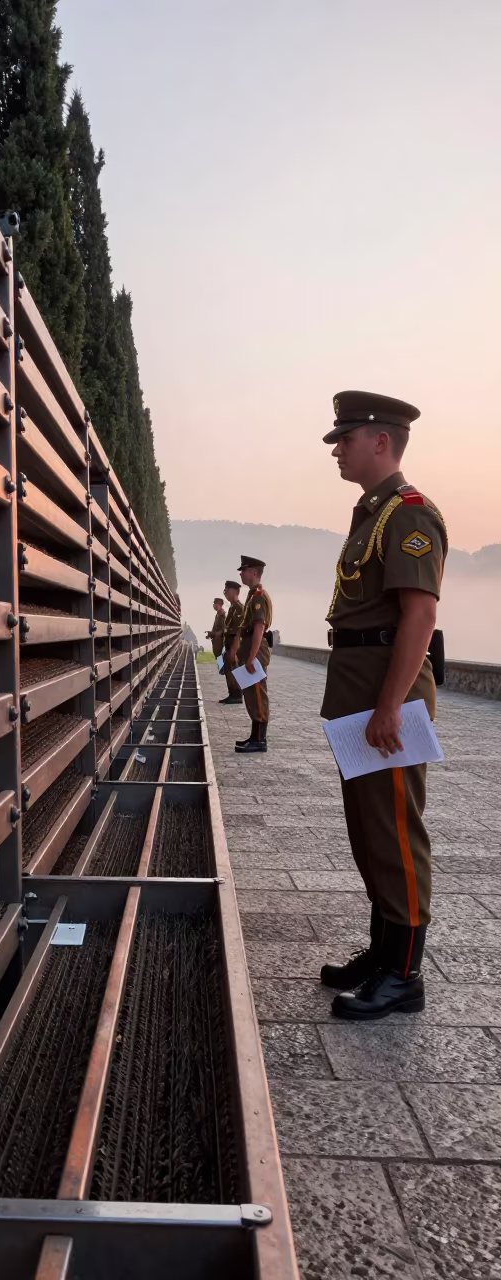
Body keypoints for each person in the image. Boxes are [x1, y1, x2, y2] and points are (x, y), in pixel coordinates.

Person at [320, 390, 447, 1020]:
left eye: (345, 438)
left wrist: (391, 705)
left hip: (384, 700)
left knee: (396, 834)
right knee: (368, 834)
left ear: (381, 440)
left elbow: (419, 616)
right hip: (360, 695)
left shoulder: (408, 514)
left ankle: (404, 976)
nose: (337, 449)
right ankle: (381, 952)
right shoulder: (370, 515)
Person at [233, 557, 273, 753]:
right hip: (249, 648)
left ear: (254, 572)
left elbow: (259, 627)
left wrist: (252, 657)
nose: (241, 573)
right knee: (251, 695)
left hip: (255, 651)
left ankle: (260, 740)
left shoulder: (258, 596)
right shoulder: (252, 595)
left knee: (258, 695)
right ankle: (254, 736)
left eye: (244, 570)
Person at [219, 580, 244, 704]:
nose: (225, 593)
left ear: (234, 591)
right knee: (229, 671)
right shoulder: (232, 608)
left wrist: (234, 649)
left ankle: (237, 695)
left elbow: (239, 631)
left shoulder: (239, 608)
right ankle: (232, 694)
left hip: (234, 644)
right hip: (229, 643)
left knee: (234, 670)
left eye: (227, 591)